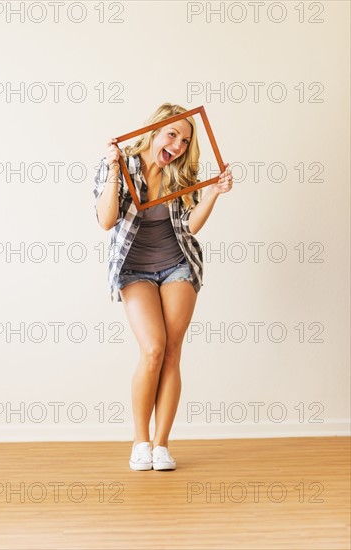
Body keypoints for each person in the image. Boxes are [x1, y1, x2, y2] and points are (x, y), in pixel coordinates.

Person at [93, 103, 233, 471]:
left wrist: (215, 192)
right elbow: (106, 220)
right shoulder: (120, 164)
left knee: (172, 350)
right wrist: (112, 171)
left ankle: (161, 445)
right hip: (134, 269)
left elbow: (190, 228)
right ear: (155, 131)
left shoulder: (181, 174)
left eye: (185, 140)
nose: (179, 144)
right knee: (153, 349)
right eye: (173, 134)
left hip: (177, 265)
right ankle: (140, 442)